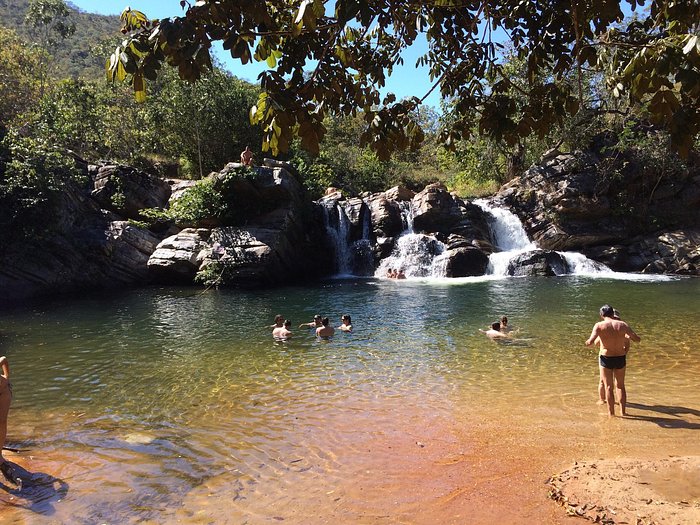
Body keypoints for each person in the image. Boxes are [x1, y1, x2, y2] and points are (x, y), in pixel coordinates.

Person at [585, 304, 641, 417]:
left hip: (606, 358)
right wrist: (630, 337)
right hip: (620, 357)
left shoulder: (599, 325)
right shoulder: (623, 325)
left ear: (602, 315)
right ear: (612, 313)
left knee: (608, 387)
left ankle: (611, 414)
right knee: (620, 386)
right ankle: (623, 412)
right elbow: (637, 339)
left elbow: (591, 342)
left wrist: (587, 342)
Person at [0, 356, 11, 469]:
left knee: (2, 422)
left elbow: (3, 359)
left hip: (3, 392)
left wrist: (7, 377)